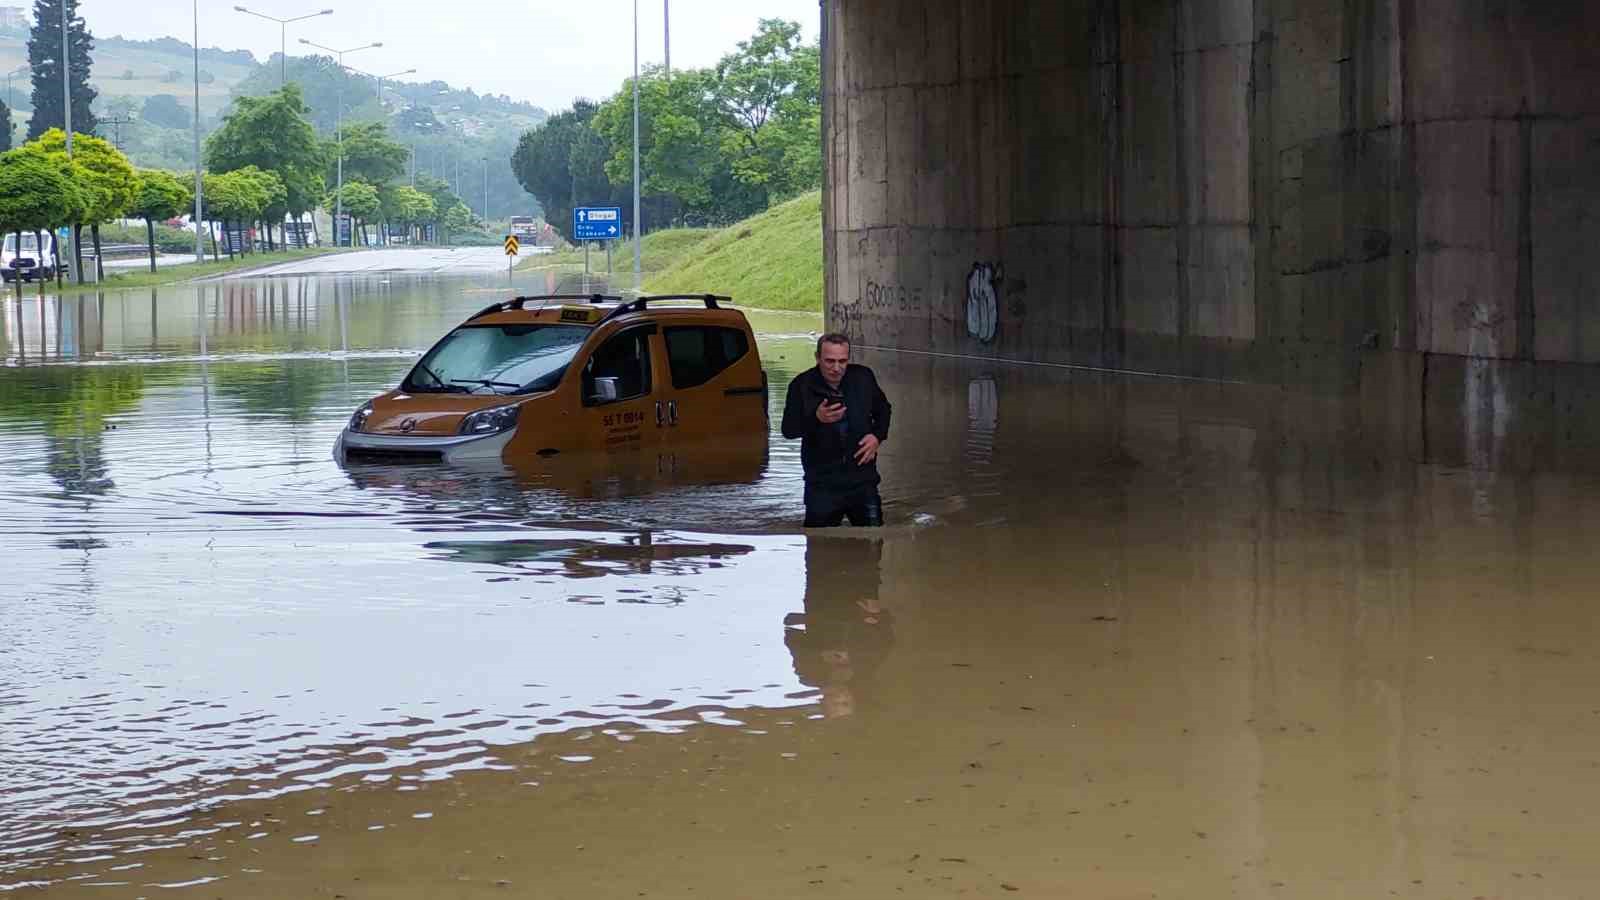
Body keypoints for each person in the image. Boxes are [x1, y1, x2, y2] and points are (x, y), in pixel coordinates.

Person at [781, 333, 892, 527]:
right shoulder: (801, 385)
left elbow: (884, 410)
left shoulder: (863, 377)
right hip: (822, 485)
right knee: (820, 543)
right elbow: (788, 430)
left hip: (863, 481)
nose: (836, 368)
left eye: (842, 361)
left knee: (873, 540)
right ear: (817, 358)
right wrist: (816, 418)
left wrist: (877, 437)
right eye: (829, 361)